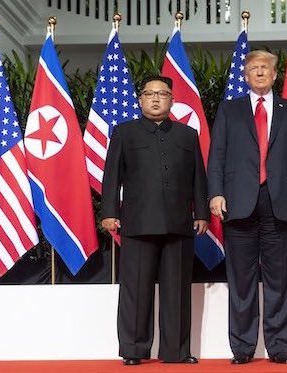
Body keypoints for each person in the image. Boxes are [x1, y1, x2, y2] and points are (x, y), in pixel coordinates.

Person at [208, 50, 287, 365]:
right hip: (238, 203)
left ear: (274, 74)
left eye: (265, 67)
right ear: (245, 75)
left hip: (281, 203)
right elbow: (217, 156)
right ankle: (242, 347)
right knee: (241, 280)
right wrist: (216, 193)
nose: (259, 72)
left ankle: (279, 347)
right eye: (253, 68)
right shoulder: (230, 110)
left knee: (280, 278)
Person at [101, 75, 209, 366]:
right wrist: (109, 212)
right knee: (136, 290)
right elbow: (111, 176)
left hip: (179, 223)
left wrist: (201, 213)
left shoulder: (188, 135)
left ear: (172, 99)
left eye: (162, 94)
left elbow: (199, 176)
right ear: (141, 100)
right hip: (137, 222)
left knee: (177, 291)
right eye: (150, 93)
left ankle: (176, 351)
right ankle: (134, 350)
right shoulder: (124, 133)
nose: (156, 98)